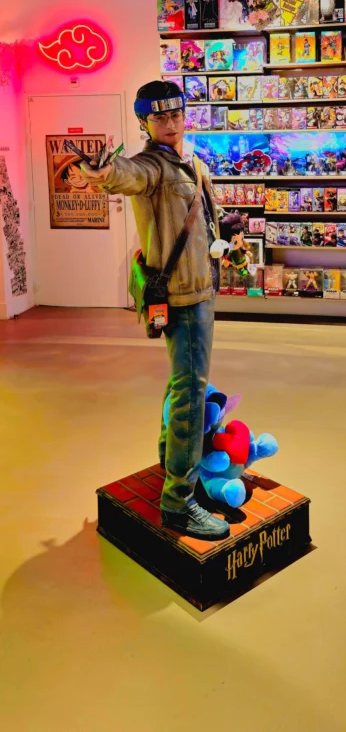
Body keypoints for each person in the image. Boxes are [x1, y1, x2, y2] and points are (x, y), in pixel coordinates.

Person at [77, 80, 231, 541]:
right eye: (159, 117)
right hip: (182, 297)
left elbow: (209, 217)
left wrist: (230, 237)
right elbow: (125, 174)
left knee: (184, 384)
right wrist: (101, 171)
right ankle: (178, 503)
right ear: (144, 122)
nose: (170, 123)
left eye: (176, 114)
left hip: (202, 288)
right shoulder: (153, 167)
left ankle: (171, 463)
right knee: (189, 395)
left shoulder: (191, 162)